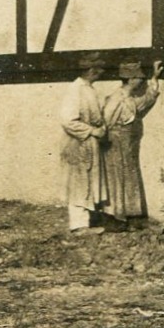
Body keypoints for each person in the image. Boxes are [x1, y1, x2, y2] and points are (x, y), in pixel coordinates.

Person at [101, 60, 163, 230]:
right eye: (138, 78)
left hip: (129, 145)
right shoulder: (115, 99)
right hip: (114, 145)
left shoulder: (129, 99)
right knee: (116, 179)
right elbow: (105, 123)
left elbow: (147, 101)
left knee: (130, 178)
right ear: (130, 79)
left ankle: (132, 217)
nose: (141, 81)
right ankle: (115, 218)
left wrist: (155, 77)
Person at [59, 54, 108, 234]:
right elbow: (68, 120)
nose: (101, 73)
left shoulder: (89, 89)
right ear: (90, 70)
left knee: (88, 182)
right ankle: (79, 226)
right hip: (77, 144)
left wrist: (100, 127)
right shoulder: (75, 89)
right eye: (99, 69)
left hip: (89, 143)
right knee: (79, 183)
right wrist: (92, 131)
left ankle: (88, 221)